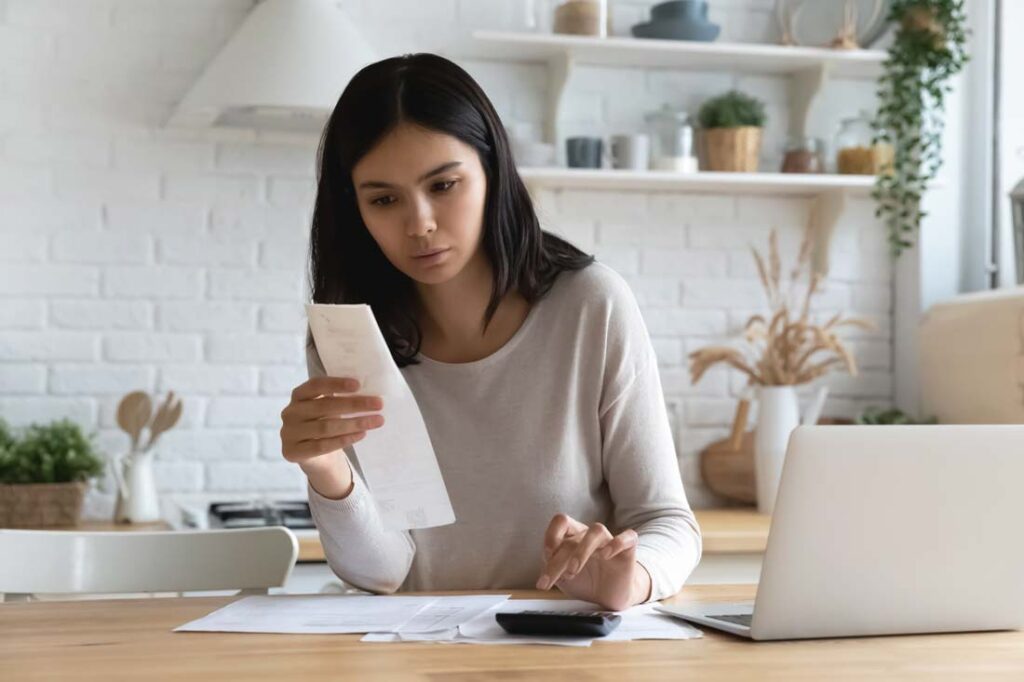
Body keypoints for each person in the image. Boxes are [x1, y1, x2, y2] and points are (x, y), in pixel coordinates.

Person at [279, 53, 701, 611]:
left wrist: (632, 577)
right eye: (384, 200)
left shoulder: (590, 307)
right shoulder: (351, 341)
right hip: (419, 655)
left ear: (493, 171)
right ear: (353, 209)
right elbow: (384, 574)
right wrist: (326, 470)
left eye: (445, 185)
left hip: (567, 657)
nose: (420, 223)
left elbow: (666, 522)